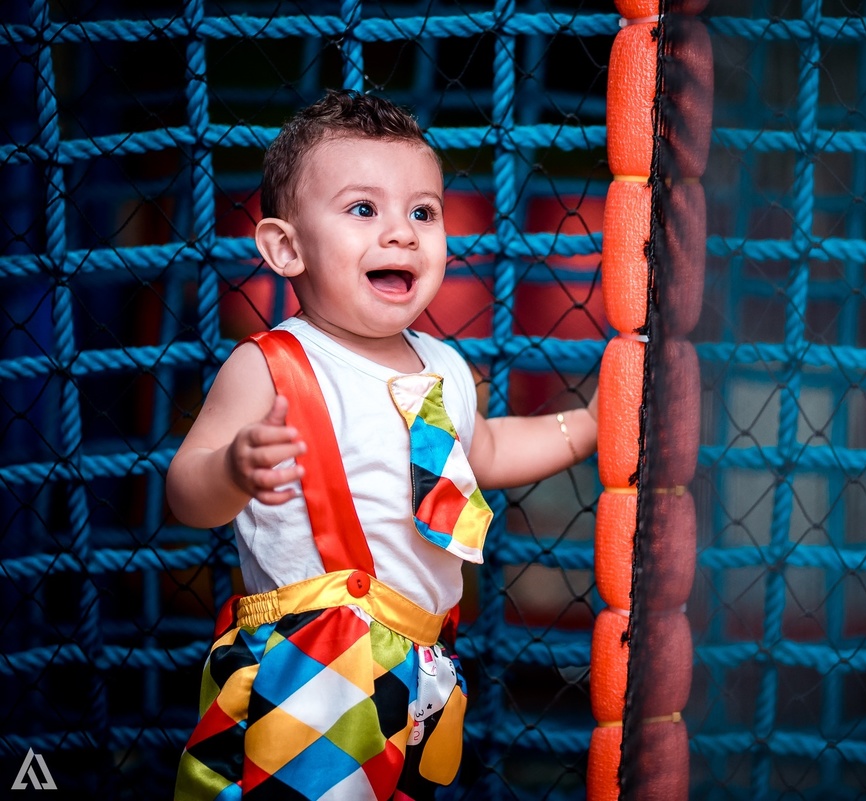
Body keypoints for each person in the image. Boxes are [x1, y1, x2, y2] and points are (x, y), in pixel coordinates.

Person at [167, 88, 599, 800]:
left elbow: (484, 450)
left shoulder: (447, 366)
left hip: (423, 662)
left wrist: (587, 427)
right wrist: (235, 466)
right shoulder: (273, 363)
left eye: (422, 212)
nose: (401, 232)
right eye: (363, 209)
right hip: (310, 659)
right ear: (286, 247)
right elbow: (186, 489)